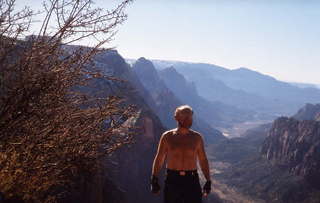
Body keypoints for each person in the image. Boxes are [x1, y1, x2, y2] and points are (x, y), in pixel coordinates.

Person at [150, 105, 212, 203]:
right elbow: (159, 158)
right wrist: (154, 178)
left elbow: (203, 160)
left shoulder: (197, 138)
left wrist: (208, 180)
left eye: (190, 116)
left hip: (191, 180)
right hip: (172, 180)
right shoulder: (167, 136)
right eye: (185, 116)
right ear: (176, 117)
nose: (188, 119)